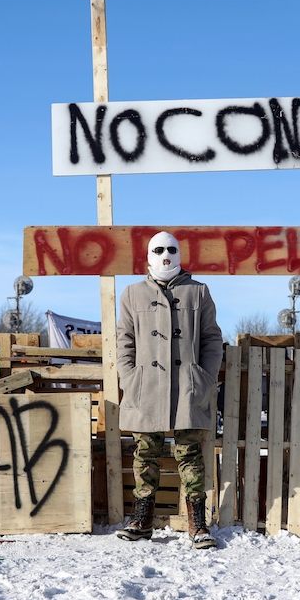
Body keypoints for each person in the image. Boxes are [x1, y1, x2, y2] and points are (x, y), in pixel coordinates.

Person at [115, 231, 223, 549]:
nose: (165, 254)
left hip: (188, 388)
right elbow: (125, 341)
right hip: (145, 387)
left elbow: (211, 339)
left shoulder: (198, 291)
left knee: (190, 455)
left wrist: (204, 377)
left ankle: (197, 524)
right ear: (148, 254)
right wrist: (128, 378)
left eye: (171, 249)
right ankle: (142, 519)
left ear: (180, 253)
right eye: (158, 249)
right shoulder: (132, 293)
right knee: (145, 453)